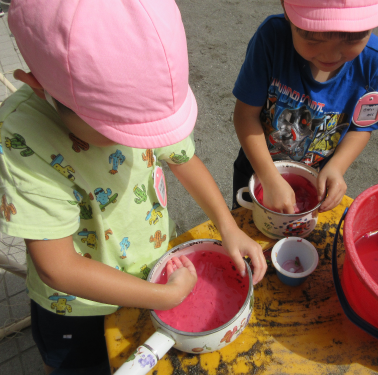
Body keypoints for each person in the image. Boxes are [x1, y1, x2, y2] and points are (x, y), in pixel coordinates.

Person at [0, 1, 266, 374]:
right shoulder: (22, 139)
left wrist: (228, 226)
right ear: (38, 84)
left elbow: (183, 159)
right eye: (120, 133)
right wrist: (165, 296)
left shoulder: (142, 96)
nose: (138, 141)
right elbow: (57, 267)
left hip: (158, 269)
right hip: (79, 310)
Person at [232, 0, 378, 215]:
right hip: (257, 165)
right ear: (287, 12)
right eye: (313, 40)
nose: (331, 56)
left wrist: (337, 167)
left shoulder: (375, 61)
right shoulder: (272, 38)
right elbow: (245, 115)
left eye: (353, 39)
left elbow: (361, 128)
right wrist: (268, 177)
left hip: (317, 175)